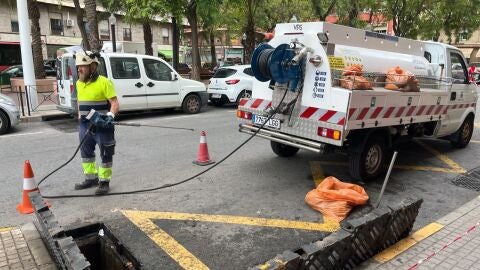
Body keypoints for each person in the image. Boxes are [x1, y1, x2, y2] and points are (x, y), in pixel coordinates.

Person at [74, 51, 119, 195]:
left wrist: (110, 115)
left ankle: (104, 182)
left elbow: (114, 102)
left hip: (101, 125)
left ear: (93, 67)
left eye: (83, 66)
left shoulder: (104, 82)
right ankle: (91, 178)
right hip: (84, 125)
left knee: (106, 153)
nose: (79, 69)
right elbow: (80, 102)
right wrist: (79, 116)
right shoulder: (79, 83)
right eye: (78, 66)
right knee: (86, 152)